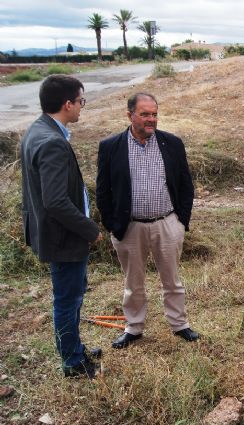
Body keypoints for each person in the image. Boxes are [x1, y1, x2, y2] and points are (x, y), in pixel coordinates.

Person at [96, 93, 198, 349]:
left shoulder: (172, 143)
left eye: (154, 114)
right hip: (129, 227)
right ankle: (134, 328)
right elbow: (102, 191)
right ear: (130, 114)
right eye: (145, 114)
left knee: (172, 280)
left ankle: (179, 324)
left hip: (167, 223)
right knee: (133, 282)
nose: (151, 119)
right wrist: (113, 224)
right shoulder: (110, 147)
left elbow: (186, 185)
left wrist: (180, 221)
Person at [20, 75, 102, 379]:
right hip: (64, 237)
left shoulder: (38, 130)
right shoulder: (52, 142)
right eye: (81, 101)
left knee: (72, 293)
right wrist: (89, 229)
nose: (82, 107)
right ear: (67, 104)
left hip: (54, 234)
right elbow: (55, 201)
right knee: (68, 298)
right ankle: (72, 361)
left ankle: (75, 347)